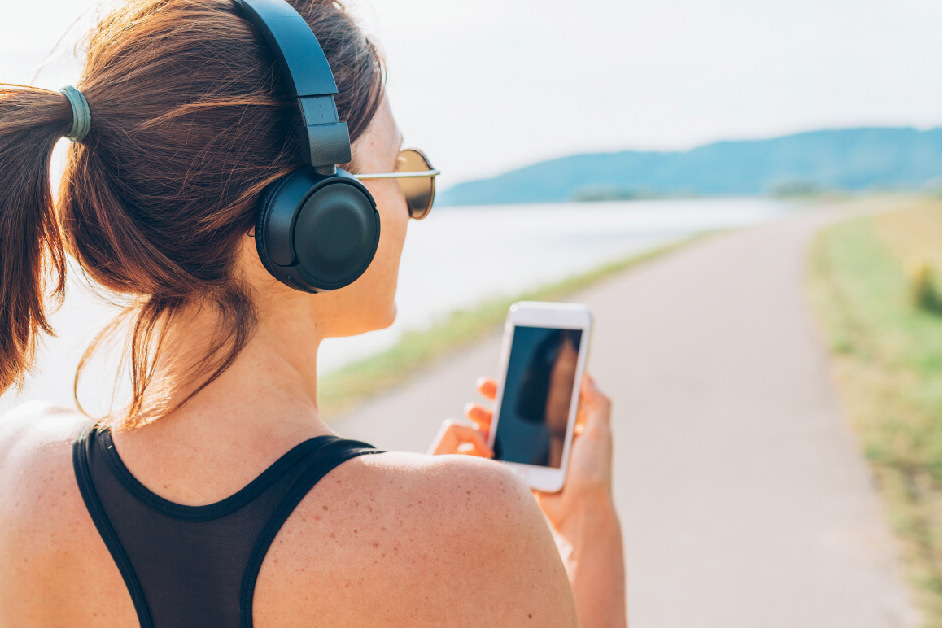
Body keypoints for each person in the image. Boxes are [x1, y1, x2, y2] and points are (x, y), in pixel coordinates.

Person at [0, 0, 627, 625]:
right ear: (325, 216)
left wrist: (394, 498)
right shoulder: (477, 520)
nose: (414, 206)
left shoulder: (17, 462)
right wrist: (585, 528)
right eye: (402, 171)